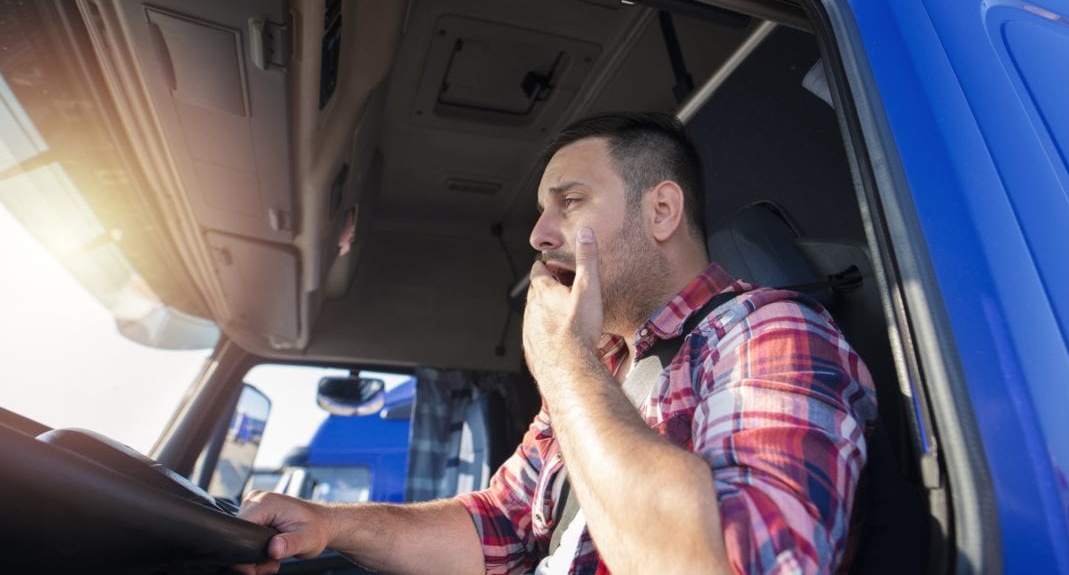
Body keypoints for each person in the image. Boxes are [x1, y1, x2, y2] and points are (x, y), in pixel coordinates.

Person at [233, 112, 877, 575]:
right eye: (542, 212)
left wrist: (561, 362)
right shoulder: (602, 371)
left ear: (661, 212)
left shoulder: (769, 331)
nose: (540, 235)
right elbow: (499, 524)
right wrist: (330, 524)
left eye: (570, 202)